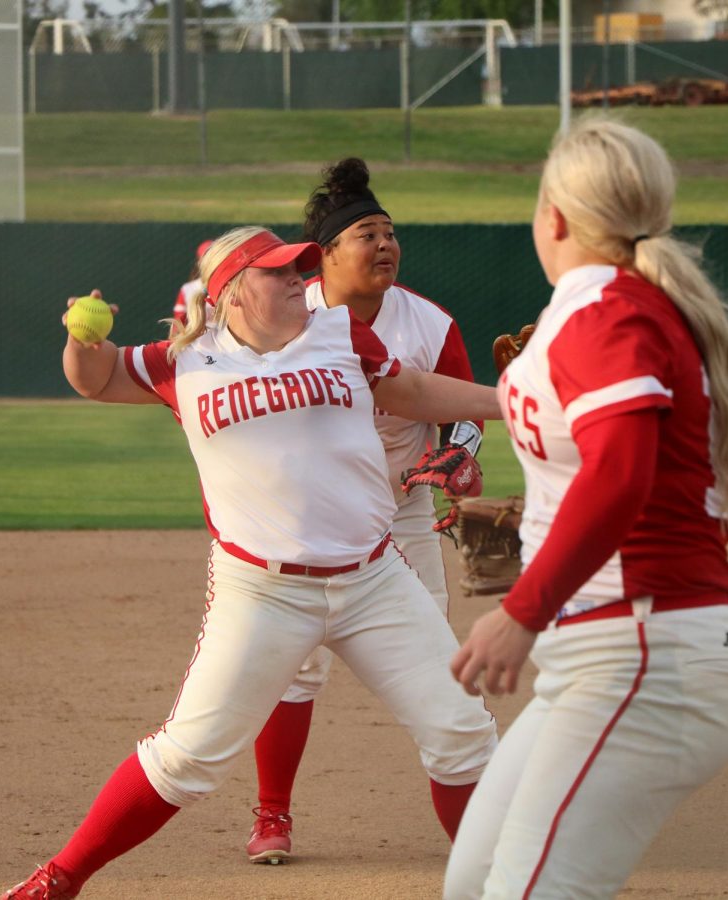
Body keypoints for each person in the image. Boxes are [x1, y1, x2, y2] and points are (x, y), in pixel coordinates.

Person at [0, 225, 500, 900]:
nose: (299, 279)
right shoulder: (184, 361)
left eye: (299, 268)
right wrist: (82, 342)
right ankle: (60, 877)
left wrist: (514, 402)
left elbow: (407, 393)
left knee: (460, 733)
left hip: (374, 577)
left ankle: (503, 887)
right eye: (279, 273)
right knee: (187, 759)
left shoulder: (340, 333)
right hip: (261, 592)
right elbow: (98, 378)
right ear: (232, 293)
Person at [444, 117, 728, 899]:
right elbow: (614, 471)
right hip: (607, 653)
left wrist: (522, 608)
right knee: (476, 881)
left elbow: (620, 474)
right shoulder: (616, 308)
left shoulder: (606, 313)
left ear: (553, 216)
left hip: (643, 652)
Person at [243, 157, 485, 864]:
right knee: (290, 667)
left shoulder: (428, 322)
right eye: (365, 235)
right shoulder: (291, 315)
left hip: (399, 509)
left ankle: (473, 821)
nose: (383, 245)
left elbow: (463, 414)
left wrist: (457, 456)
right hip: (305, 516)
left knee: (433, 663)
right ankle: (271, 817)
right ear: (324, 254)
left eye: (389, 233)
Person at [168, 238, 214, 339]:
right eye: (206, 258)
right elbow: (178, 321)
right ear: (199, 262)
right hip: (194, 340)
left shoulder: (229, 286)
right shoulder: (187, 289)